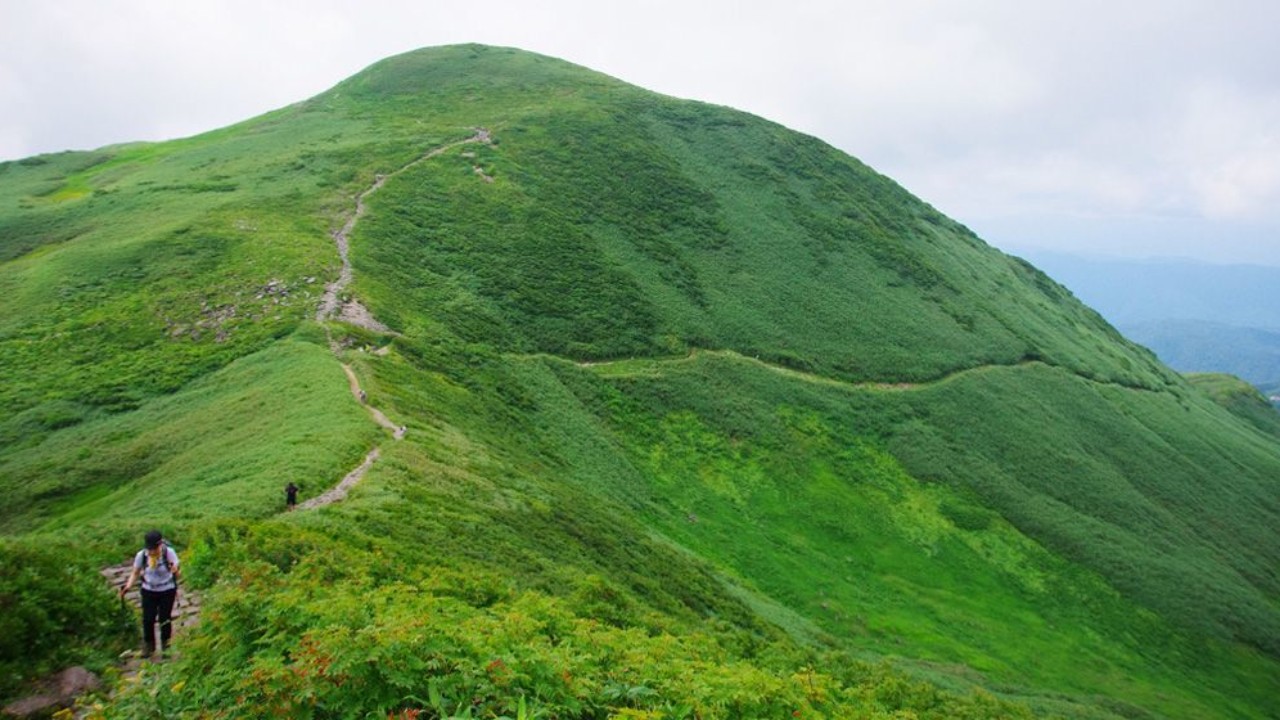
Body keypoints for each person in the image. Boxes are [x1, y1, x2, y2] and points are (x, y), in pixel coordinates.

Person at [120, 530, 180, 658]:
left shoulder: (169, 553)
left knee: (165, 619)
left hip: (167, 590)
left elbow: (177, 573)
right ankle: (149, 646)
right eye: (150, 549)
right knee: (147, 619)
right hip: (148, 590)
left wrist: (174, 570)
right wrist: (128, 586)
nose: (152, 552)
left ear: (160, 545)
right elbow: (135, 572)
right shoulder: (142, 555)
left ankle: (166, 647)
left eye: (154, 548)